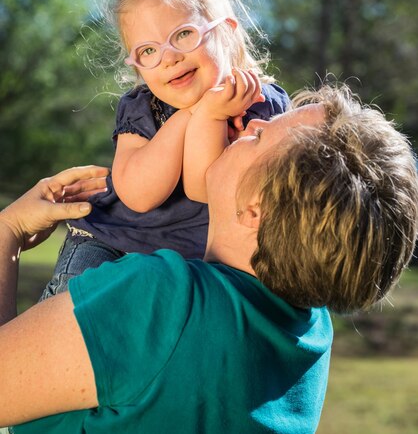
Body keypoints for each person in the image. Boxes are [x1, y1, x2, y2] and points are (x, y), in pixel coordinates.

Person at [1, 84, 417, 434]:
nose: (251, 122)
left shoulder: (164, 302)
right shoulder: (310, 333)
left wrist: (8, 233)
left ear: (257, 208)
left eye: (259, 137)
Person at [42, 0, 289, 298]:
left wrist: (211, 115)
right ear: (138, 67)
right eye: (148, 51)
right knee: (65, 330)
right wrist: (194, 115)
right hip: (113, 246)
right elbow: (138, 195)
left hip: (194, 266)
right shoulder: (143, 108)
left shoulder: (264, 106)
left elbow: (205, 188)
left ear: (227, 33)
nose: (169, 57)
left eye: (184, 34)